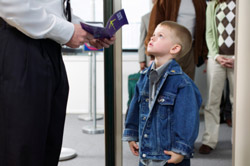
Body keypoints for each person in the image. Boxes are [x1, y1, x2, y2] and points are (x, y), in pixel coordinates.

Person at [0, 0, 115, 166]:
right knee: (22, 146)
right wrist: (68, 31)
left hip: (50, 50)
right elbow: (11, 4)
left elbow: (52, 8)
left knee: (48, 144)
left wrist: (86, 31)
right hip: (20, 48)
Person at [123, 21, 202, 166]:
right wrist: (131, 133)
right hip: (147, 154)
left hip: (170, 157)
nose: (152, 38)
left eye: (160, 36)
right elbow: (134, 108)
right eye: (153, 35)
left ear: (175, 48)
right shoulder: (143, 77)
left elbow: (187, 120)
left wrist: (181, 150)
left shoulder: (183, 83)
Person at [199, 0, 236, 154]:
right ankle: (209, 140)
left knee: (238, 102)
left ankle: (239, 140)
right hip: (217, 59)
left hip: (238, 59)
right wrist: (215, 56)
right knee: (212, 101)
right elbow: (209, 32)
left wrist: (239, 57)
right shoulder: (213, 4)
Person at [144, 0, 208, 80]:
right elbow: (154, 24)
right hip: (169, 49)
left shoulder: (200, 2)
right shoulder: (165, 1)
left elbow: (204, 27)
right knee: (166, 83)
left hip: (190, 50)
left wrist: (204, 54)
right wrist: (153, 56)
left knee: (188, 82)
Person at [138, 0, 156, 70]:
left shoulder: (168, 16)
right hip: (149, 59)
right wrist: (141, 60)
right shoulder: (145, 18)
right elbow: (142, 40)